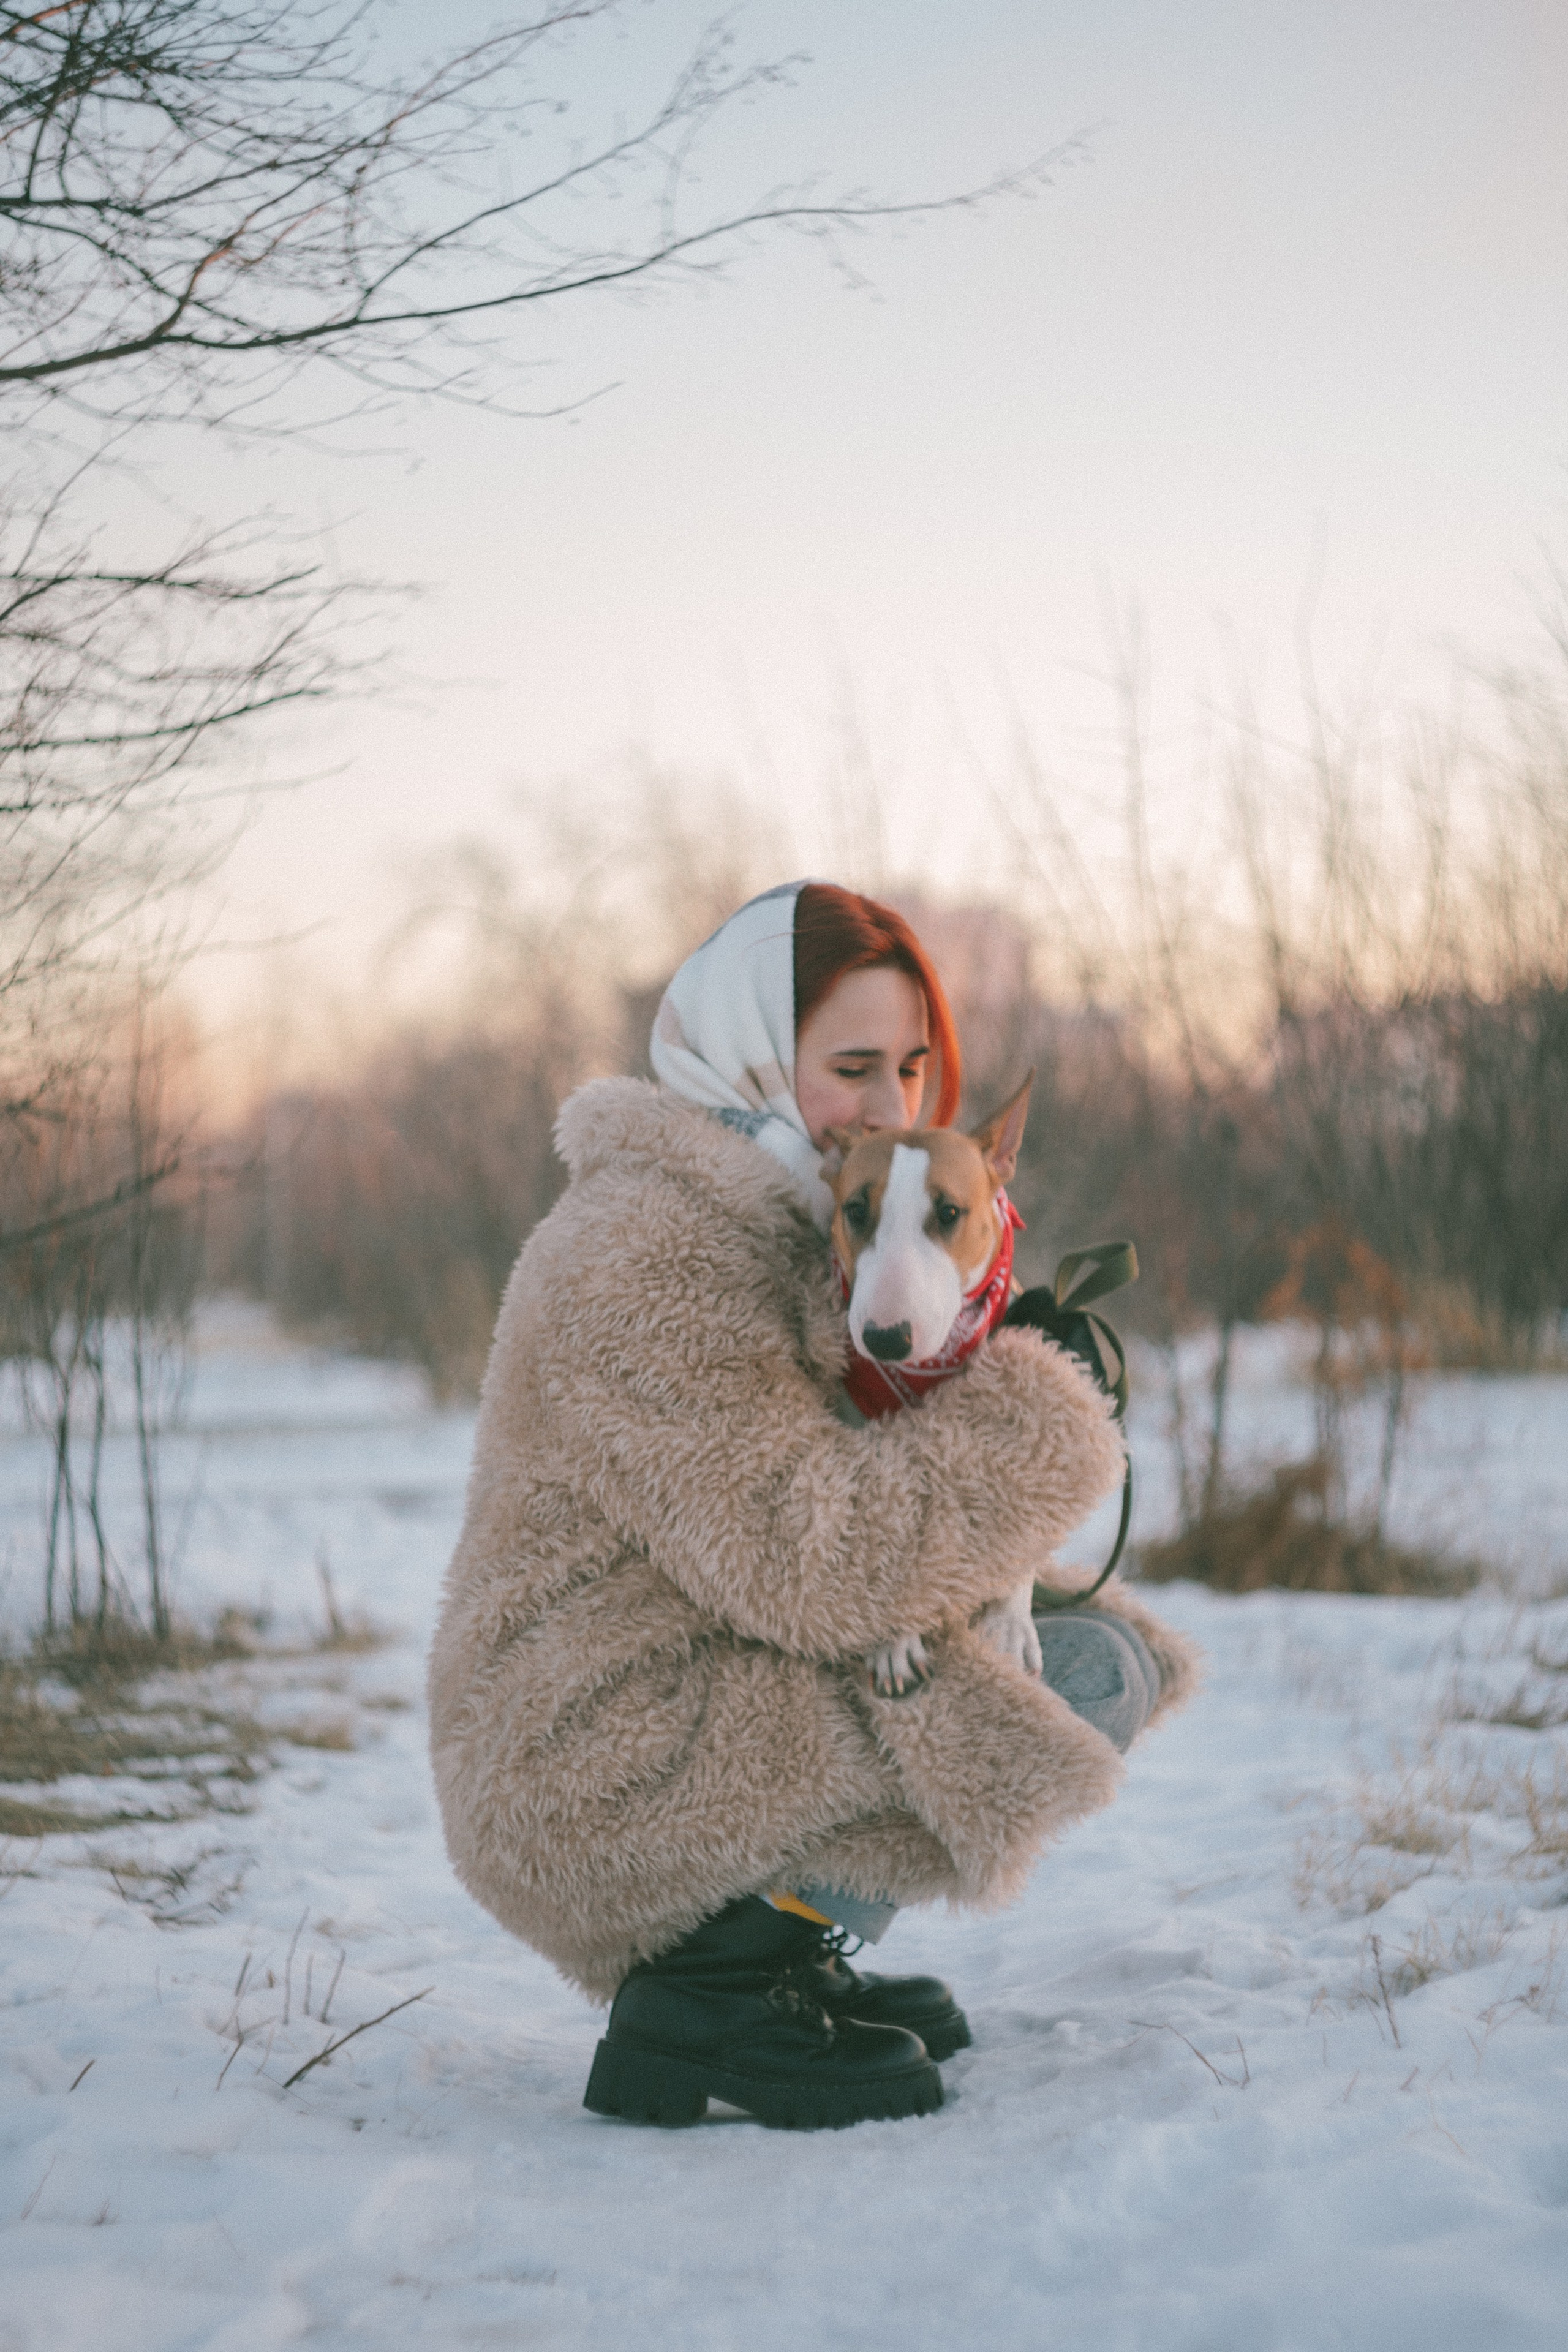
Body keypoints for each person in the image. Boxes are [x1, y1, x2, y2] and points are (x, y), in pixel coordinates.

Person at [428, 881, 1199, 2130]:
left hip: (684, 1689)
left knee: (1081, 1650)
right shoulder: (642, 1244)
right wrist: (1034, 1408)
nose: (891, 1108)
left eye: (910, 1065)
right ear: (747, 1047)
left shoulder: (791, 1209)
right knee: (1075, 1679)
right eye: (849, 1067)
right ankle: (709, 1990)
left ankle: (777, 1942)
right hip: (591, 1763)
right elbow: (810, 1561)